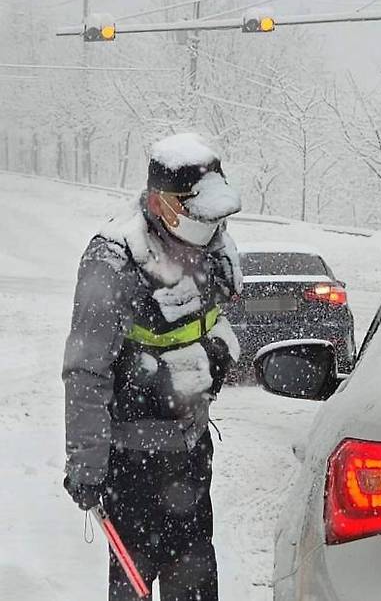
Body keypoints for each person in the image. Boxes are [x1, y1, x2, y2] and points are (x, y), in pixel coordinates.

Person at [62, 132, 242, 600]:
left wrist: (216, 358)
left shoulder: (211, 243)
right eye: (199, 216)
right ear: (162, 203)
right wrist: (87, 466)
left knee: (197, 585)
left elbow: (217, 323)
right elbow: (86, 370)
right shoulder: (113, 260)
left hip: (191, 451)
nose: (211, 229)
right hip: (132, 466)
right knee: (134, 588)